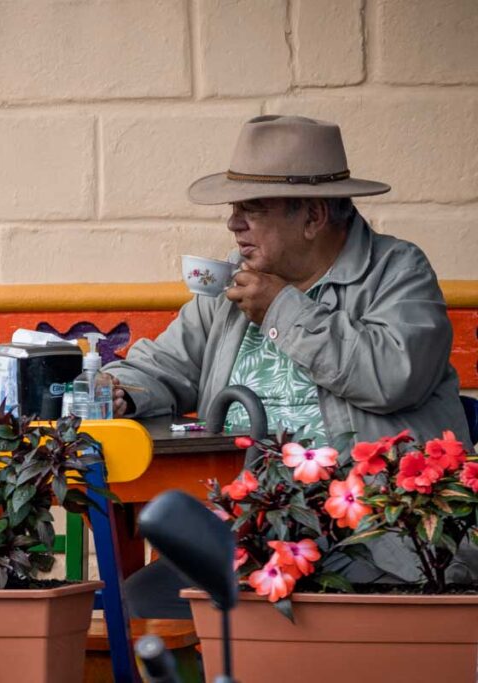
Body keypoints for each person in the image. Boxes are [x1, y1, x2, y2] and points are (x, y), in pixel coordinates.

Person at [102, 115, 473, 618]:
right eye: (234, 209)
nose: (233, 224)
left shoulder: (397, 271)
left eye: (251, 209)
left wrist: (282, 310)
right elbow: (167, 363)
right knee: (136, 603)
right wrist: (122, 388)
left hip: (377, 542)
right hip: (247, 537)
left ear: (314, 216)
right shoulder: (235, 284)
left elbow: (393, 376)